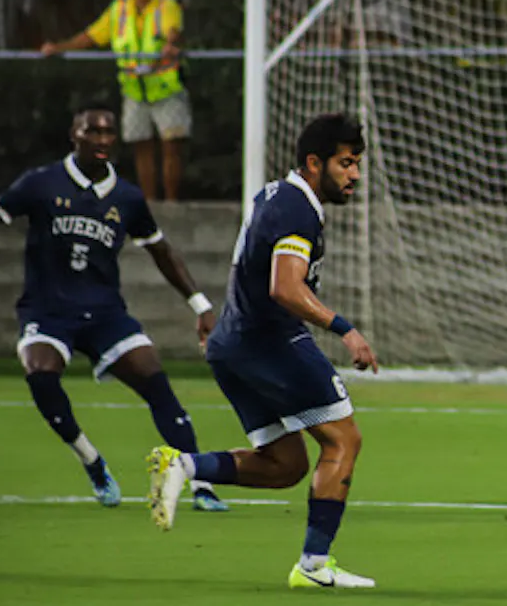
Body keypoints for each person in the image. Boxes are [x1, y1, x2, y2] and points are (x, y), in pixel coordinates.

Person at [0, 104, 226, 511]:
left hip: (105, 314)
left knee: (156, 381)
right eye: (92, 132)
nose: (102, 139)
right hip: (47, 311)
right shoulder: (41, 184)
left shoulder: (128, 197)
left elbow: (162, 252)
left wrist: (201, 305)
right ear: (74, 136)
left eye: (108, 133)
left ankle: (202, 484)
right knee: (41, 373)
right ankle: (92, 461)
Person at [146, 113, 380, 591]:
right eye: (346, 163)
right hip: (270, 342)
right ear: (315, 163)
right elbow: (285, 288)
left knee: (285, 466)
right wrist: (345, 329)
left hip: (232, 345)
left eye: (356, 164)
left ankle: (183, 465)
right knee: (344, 441)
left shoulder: (274, 194)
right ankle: (314, 566)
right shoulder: (298, 210)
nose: (354, 174)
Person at [42, 0, 191, 201]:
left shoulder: (166, 6)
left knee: (171, 146)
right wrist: (59, 48)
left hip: (166, 88)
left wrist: (171, 46)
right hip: (134, 90)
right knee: (140, 146)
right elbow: (92, 36)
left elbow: (173, 32)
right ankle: (150, 203)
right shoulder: (119, 10)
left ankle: (172, 203)